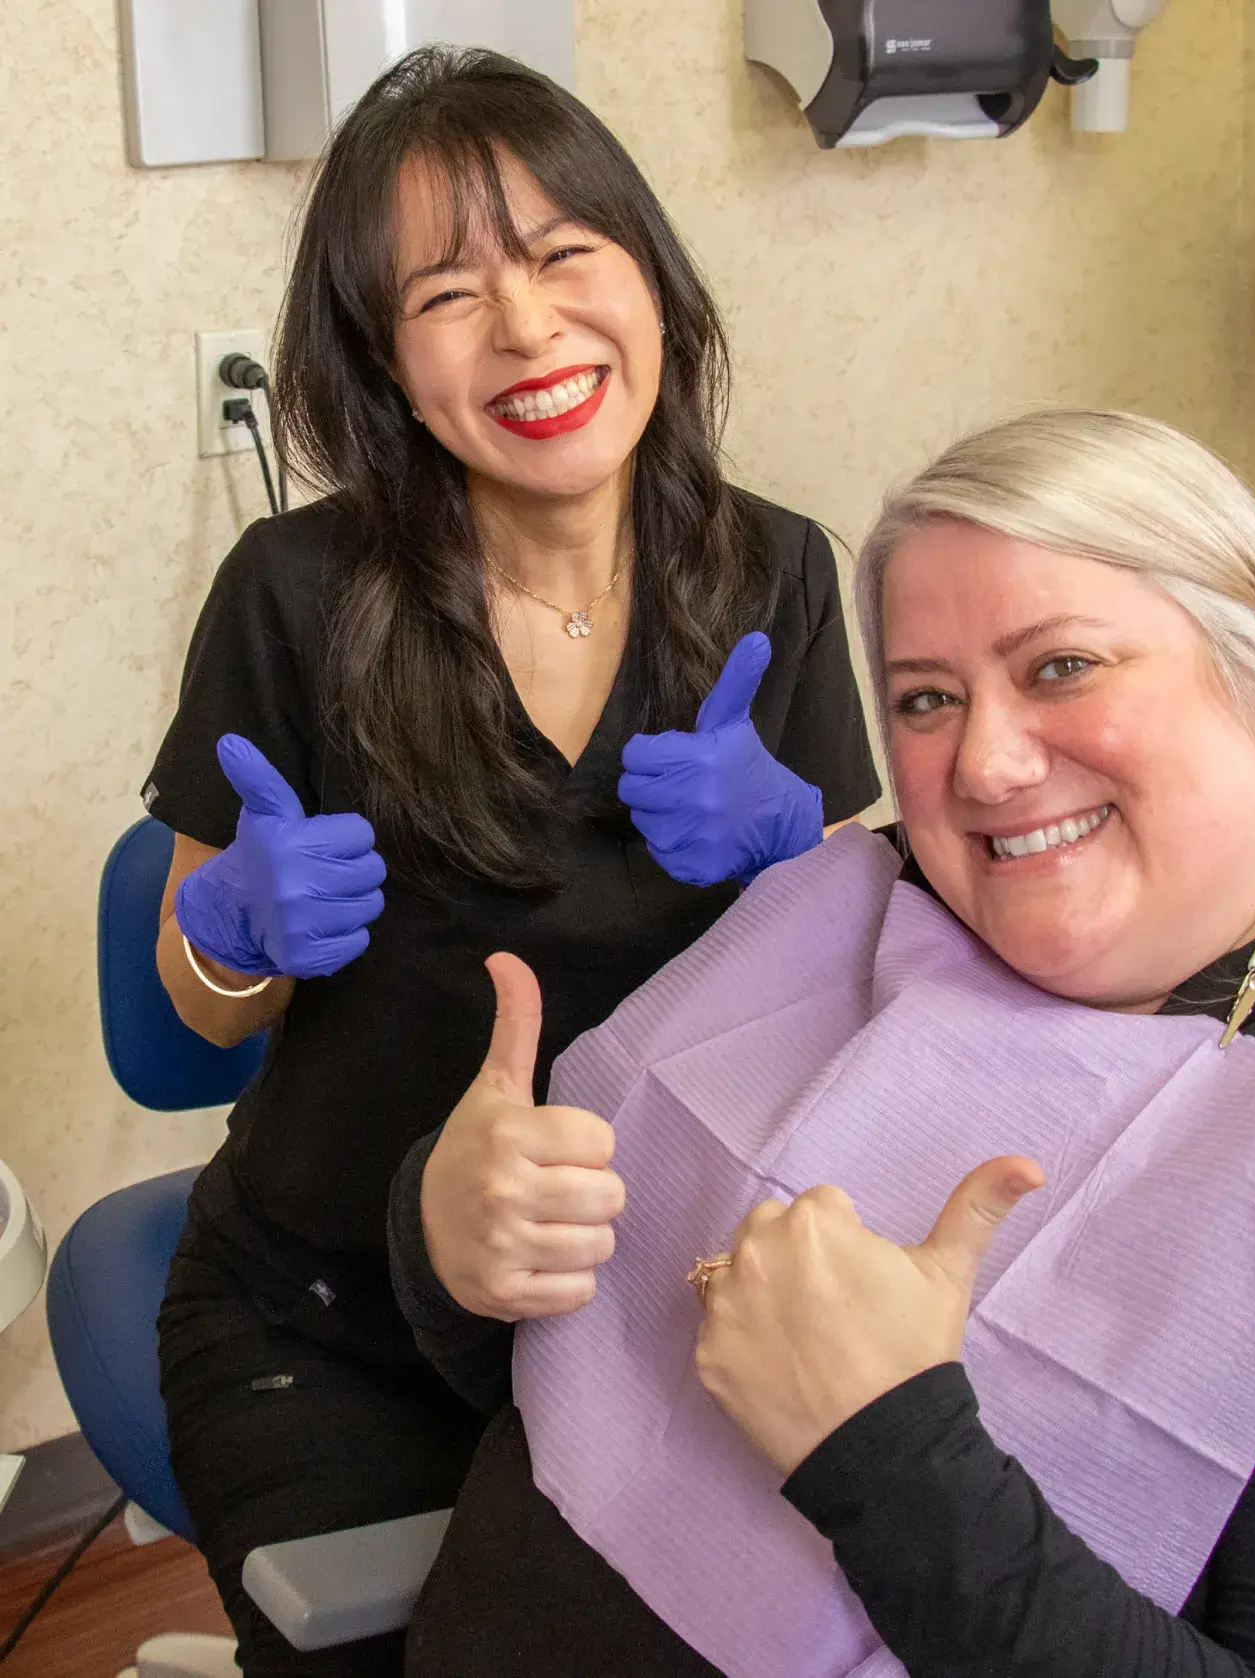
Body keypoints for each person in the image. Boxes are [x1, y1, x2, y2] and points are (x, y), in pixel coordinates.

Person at [389, 409, 1255, 1676]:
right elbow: (545, 1375)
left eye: (1060, 666)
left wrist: (888, 1451)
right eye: (925, 698)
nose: (988, 764)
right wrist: (448, 1235)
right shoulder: (856, 911)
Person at [145, 47, 878, 1677]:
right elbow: (200, 1011)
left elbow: (840, 1000)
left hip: (648, 1317)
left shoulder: (778, 573)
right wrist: (236, 936)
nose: (530, 328)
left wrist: (807, 857)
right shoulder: (294, 592)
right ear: (388, 367)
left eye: (564, 257)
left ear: (654, 287)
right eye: (449, 294)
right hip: (328, 1319)